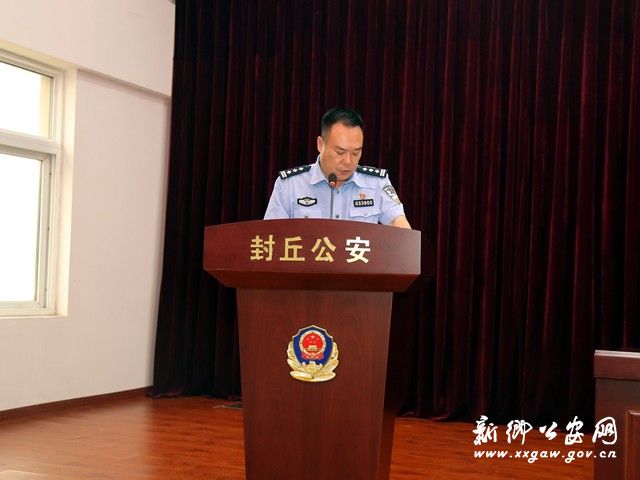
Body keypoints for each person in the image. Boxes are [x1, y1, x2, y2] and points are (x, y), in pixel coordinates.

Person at [264, 107, 411, 228]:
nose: (348, 161)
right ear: (320, 144)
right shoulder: (289, 185)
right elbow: (271, 236)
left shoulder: (377, 184)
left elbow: (399, 225)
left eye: (355, 153)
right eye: (340, 152)